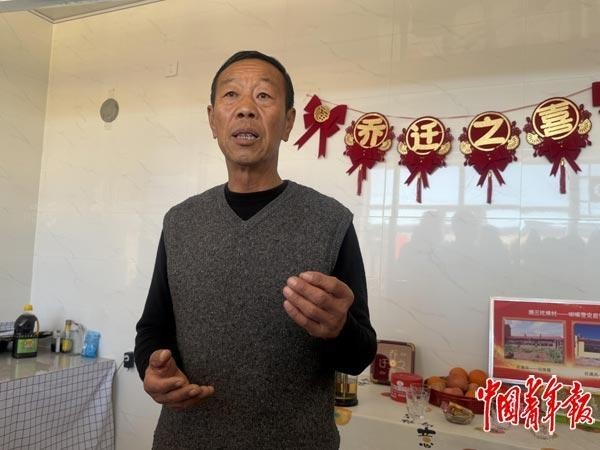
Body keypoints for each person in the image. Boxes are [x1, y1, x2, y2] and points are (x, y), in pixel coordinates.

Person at [134, 50, 377, 450]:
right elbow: (152, 328)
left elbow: (359, 354)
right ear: (212, 119)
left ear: (288, 122)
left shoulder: (330, 221)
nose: (245, 108)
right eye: (231, 95)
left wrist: (340, 330)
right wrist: (152, 366)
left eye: (264, 96)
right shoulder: (180, 221)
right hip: (185, 439)